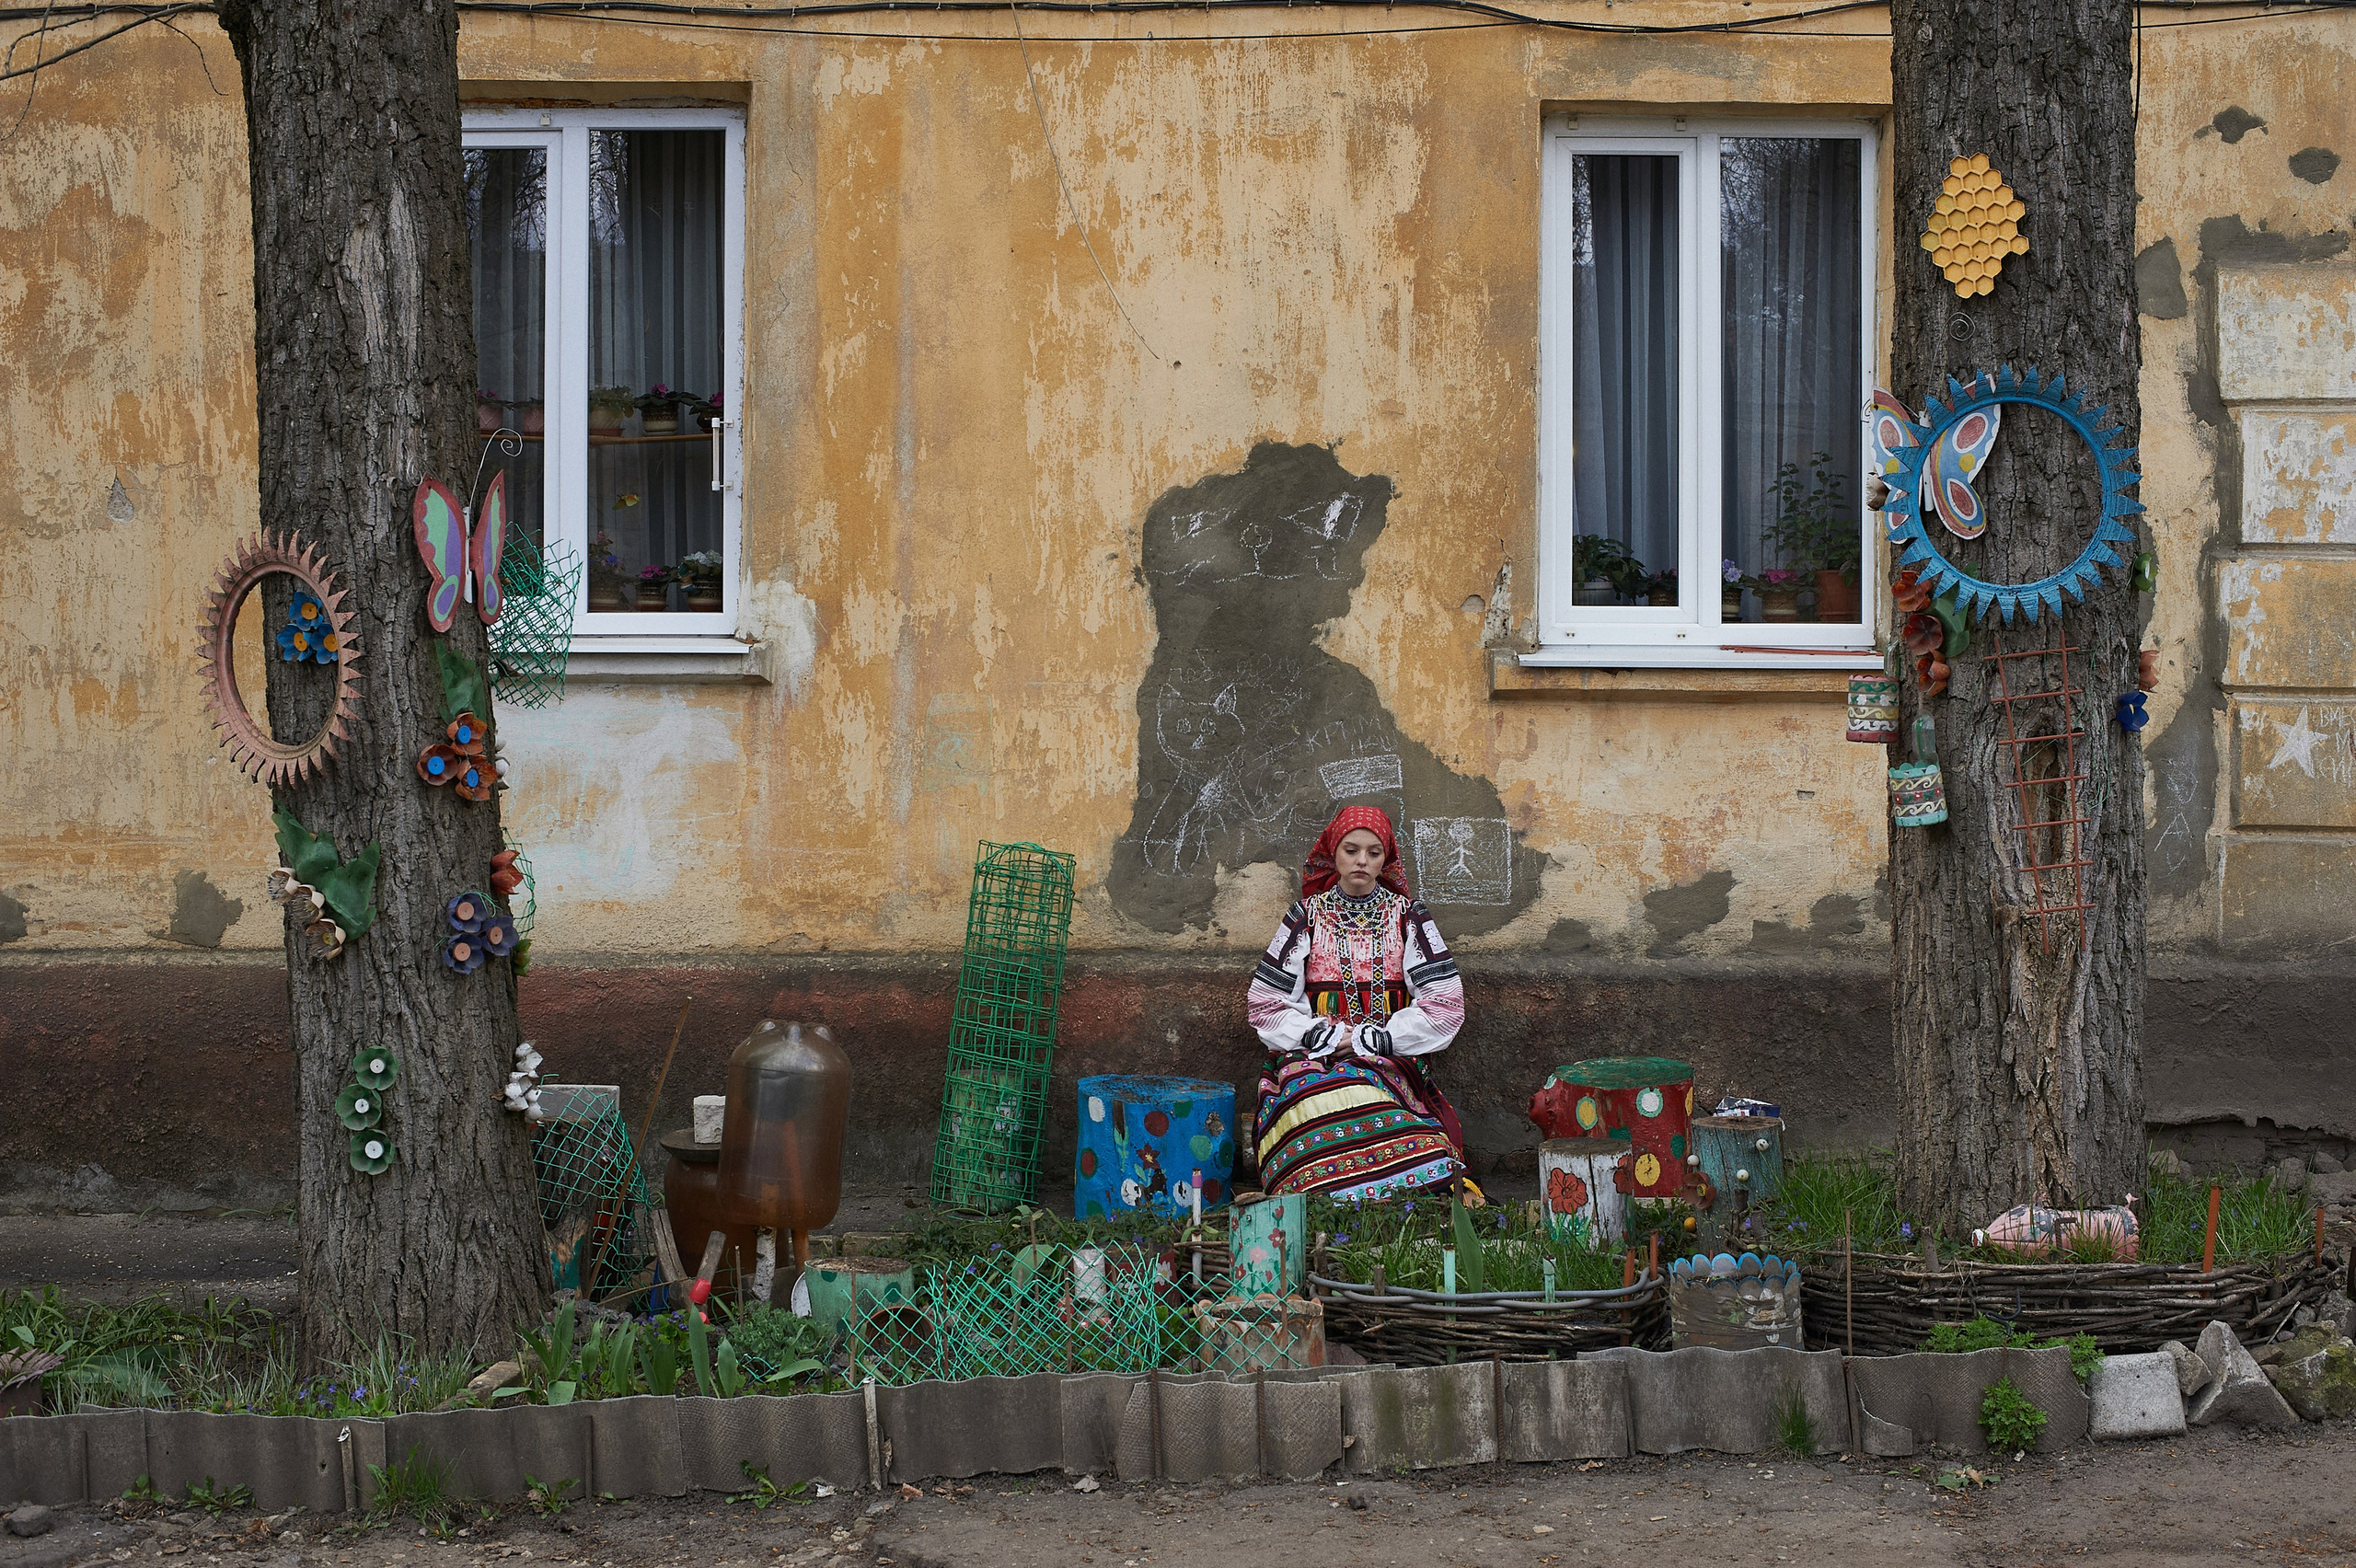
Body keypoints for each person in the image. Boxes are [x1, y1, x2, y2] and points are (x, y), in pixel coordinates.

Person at [1244, 805, 1471, 1200]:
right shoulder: (1306, 917)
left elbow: (1446, 1005)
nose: (1362, 861)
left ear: (1386, 859)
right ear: (1333, 854)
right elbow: (1266, 1003)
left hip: (1390, 1058)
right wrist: (1322, 1037)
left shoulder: (1408, 917)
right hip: (1314, 1056)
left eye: (1373, 852)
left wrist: (1377, 1039)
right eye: (1351, 850)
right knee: (1308, 1096)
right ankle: (1321, 1200)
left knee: (1361, 1090)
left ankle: (1397, 1189)